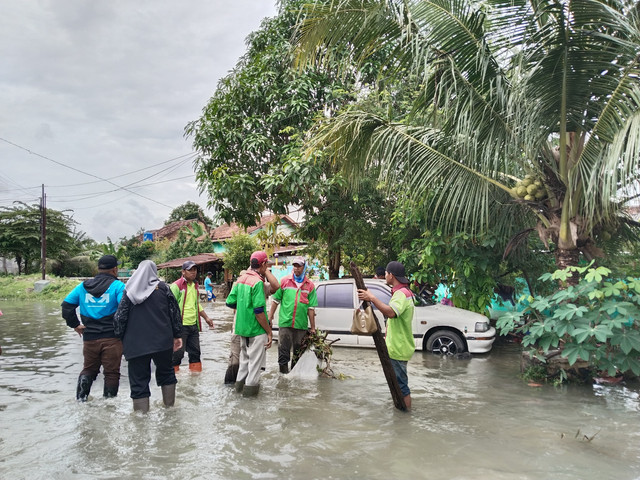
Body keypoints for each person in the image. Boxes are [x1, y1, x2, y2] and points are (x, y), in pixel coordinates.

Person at [113, 260, 183, 412]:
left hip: (136, 344)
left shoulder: (129, 291)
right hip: (162, 342)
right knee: (167, 373)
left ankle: (141, 419)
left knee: (138, 381)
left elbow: (120, 317)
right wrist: (177, 335)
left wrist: (119, 337)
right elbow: (174, 313)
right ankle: (169, 409)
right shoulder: (164, 288)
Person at [61, 255, 126, 401]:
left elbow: (66, 306)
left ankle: (81, 399)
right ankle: (109, 404)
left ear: (98, 268)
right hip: (112, 337)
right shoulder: (118, 287)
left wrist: (75, 325)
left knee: (89, 369)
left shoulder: (82, 287)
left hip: (89, 337)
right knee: (111, 373)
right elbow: (124, 309)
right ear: (115, 269)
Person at [358, 261, 415, 409]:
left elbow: (391, 312)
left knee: (401, 386)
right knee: (399, 384)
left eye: (387, 274)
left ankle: (406, 416)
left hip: (399, 346)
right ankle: (402, 414)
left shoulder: (401, 294)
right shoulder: (403, 292)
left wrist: (372, 298)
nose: (384, 276)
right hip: (398, 345)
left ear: (391, 275)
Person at [225, 251, 273, 396]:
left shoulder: (241, 279)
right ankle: (249, 401)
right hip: (256, 330)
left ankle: (238, 393)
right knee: (254, 368)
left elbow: (229, 302)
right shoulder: (258, 282)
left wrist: (244, 309)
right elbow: (259, 311)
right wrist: (269, 331)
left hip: (241, 329)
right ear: (263, 264)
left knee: (244, 365)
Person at [269, 256, 317, 374]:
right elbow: (275, 300)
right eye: (295, 266)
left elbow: (311, 309)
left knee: (298, 355)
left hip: (301, 325)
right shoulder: (284, 281)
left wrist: (312, 327)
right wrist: (270, 316)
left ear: (304, 267)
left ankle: (294, 378)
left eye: (299, 266)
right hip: (285, 323)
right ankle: (283, 378)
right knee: (283, 353)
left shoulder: (309, 285)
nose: (296, 268)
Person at [170, 261, 214, 372]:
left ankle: (195, 381)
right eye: (190, 270)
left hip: (193, 325)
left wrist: (206, 318)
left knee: (195, 353)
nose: (193, 272)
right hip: (181, 326)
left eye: (195, 270)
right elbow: (168, 307)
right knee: (177, 355)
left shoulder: (195, 285)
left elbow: (196, 304)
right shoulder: (176, 286)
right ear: (183, 272)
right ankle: (174, 379)